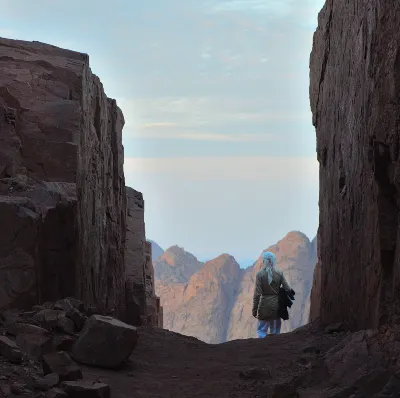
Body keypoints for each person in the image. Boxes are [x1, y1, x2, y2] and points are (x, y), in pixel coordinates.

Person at [252, 251, 292, 338]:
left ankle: (262, 348)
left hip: (264, 306)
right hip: (276, 306)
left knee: (261, 331)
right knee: (275, 332)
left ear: (265, 261)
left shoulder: (260, 275)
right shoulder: (279, 273)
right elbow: (288, 289)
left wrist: (254, 310)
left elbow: (257, 294)